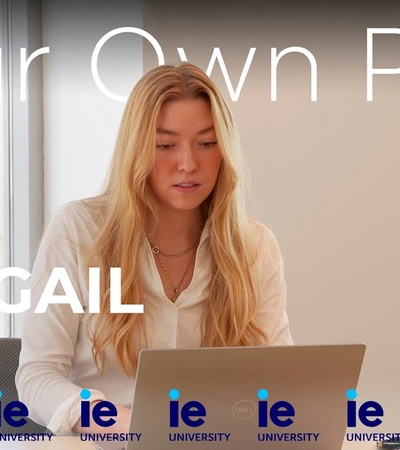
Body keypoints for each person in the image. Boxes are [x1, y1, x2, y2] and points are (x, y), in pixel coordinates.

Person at [16, 62, 292, 435]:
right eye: (165, 145)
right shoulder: (77, 231)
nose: (188, 164)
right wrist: (116, 423)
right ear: (137, 149)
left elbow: (280, 380)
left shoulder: (255, 246)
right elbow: (36, 376)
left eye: (207, 144)